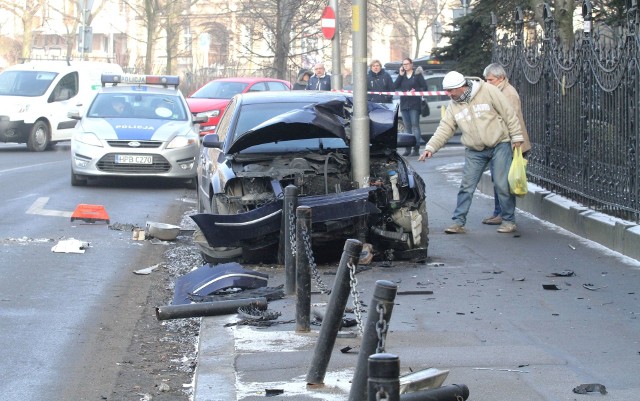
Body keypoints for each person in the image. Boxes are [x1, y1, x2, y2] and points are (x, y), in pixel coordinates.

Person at [418, 70, 524, 234]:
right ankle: (458, 222)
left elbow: (508, 112)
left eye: (451, 90)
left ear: (462, 87)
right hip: (475, 149)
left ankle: (509, 221)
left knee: (502, 184)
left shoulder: (488, 90)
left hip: (499, 143)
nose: (449, 94)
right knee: (466, 186)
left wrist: (516, 136)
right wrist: (430, 148)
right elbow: (444, 128)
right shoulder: (453, 106)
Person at [481, 63, 532, 225]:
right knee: (499, 180)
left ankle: (503, 214)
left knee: (503, 182)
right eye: (486, 80)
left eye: (490, 80)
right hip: (502, 143)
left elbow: (512, 119)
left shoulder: (508, 94)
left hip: (510, 144)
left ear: (501, 78)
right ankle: (499, 212)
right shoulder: (498, 91)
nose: (487, 83)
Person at [393, 58, 427, 156]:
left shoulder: (417, 75)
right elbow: (394, 86)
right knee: (407, 127)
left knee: (415, 125)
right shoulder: (402, 76)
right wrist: (400, 75)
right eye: (404, 64)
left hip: (414, 103)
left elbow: (424, 87)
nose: (406, 66)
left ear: (412, 64)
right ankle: (407, 148)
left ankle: (416, 148)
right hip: (404, 103)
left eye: (407, 64)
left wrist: (415, 90)